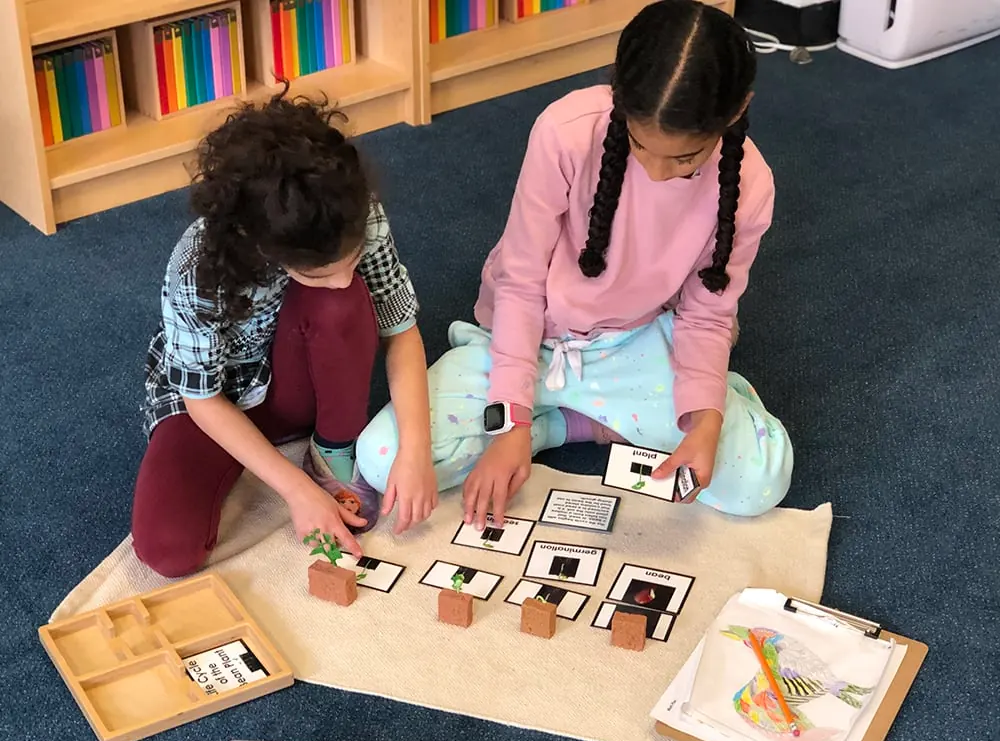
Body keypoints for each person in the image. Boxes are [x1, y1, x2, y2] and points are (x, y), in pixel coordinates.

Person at [357, 0, 793, 527]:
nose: (656, 174)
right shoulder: (565, 131)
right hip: (528, 337)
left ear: (737, 108)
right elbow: (520, 284)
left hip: (632, 342)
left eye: (683, 159)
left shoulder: (751, 187)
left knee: (761, 479)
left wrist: (704, 422)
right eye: (639, 145)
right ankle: (559, 423)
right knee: (383, 458)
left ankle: (575, 421)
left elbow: (707, 316)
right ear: (618, 96)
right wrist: (512, 425)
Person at [132, 89, 436, 578]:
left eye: (352, 260)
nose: (342, 279)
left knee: (342, 305)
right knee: (168, 550)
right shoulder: (197, 266)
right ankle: (291, 455)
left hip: (300, 374)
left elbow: (400, 329)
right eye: (316, 273)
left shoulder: (354, 210)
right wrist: (297, 491)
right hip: (216, 402)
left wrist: (416, 449)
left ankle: (332, 445)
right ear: (263, 246)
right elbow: (202, 400)